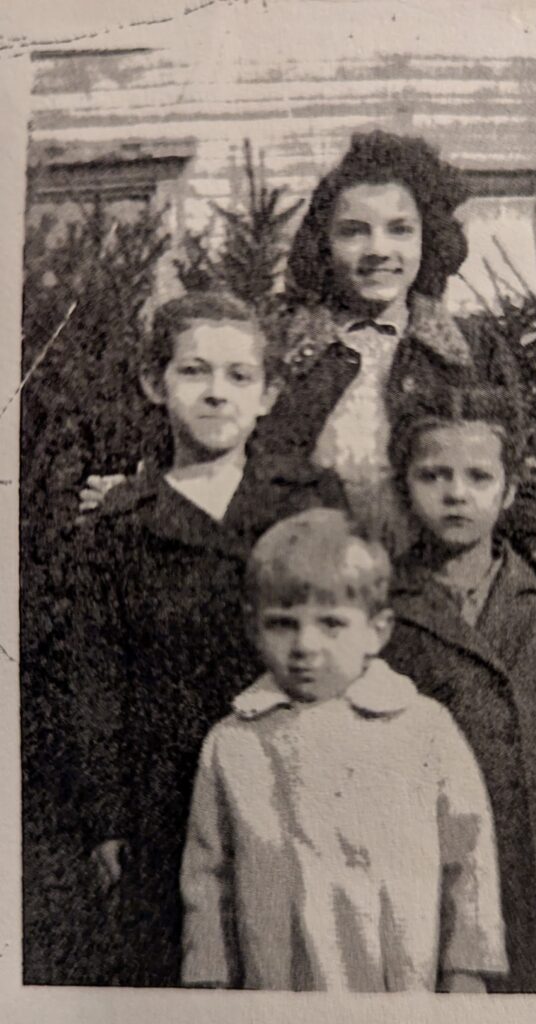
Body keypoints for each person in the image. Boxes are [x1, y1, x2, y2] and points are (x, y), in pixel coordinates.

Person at [80, 129, 536, 601]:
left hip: (437, 596)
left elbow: (514, 466)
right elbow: (203, 438)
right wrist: (139, 491)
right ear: (325, 244)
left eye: (399, 231)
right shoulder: (280, 341)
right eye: (353, 232)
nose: (378, 251)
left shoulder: (471, 348)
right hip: (306, 596)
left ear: (426, 239)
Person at [68, 292, 345, 986]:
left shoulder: (309, 500)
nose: (216, 394)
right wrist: (106, 817)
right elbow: (95, 679)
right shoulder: (122, 524)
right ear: (153, 384)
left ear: (268, 393)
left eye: (238, 376)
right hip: (168, 795)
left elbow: (352, 637)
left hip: (302, 778)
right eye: (194, 372)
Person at [180, 508, 508, 992]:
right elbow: (208, 877)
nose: (305, 645)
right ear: (253, 627)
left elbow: (469, 856)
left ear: (377, 629)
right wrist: (208, 977)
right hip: (278, 979)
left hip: (394, 976)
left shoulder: (423, 729)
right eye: (282, 624)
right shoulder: (234, 743)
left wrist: (466, 970)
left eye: (331, 624)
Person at [383, 384, 536, 993]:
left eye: (479, 477)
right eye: (433, 475)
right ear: (403, 488)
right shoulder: (381, 606)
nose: (457, 493)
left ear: (510, 491)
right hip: (423, 847)